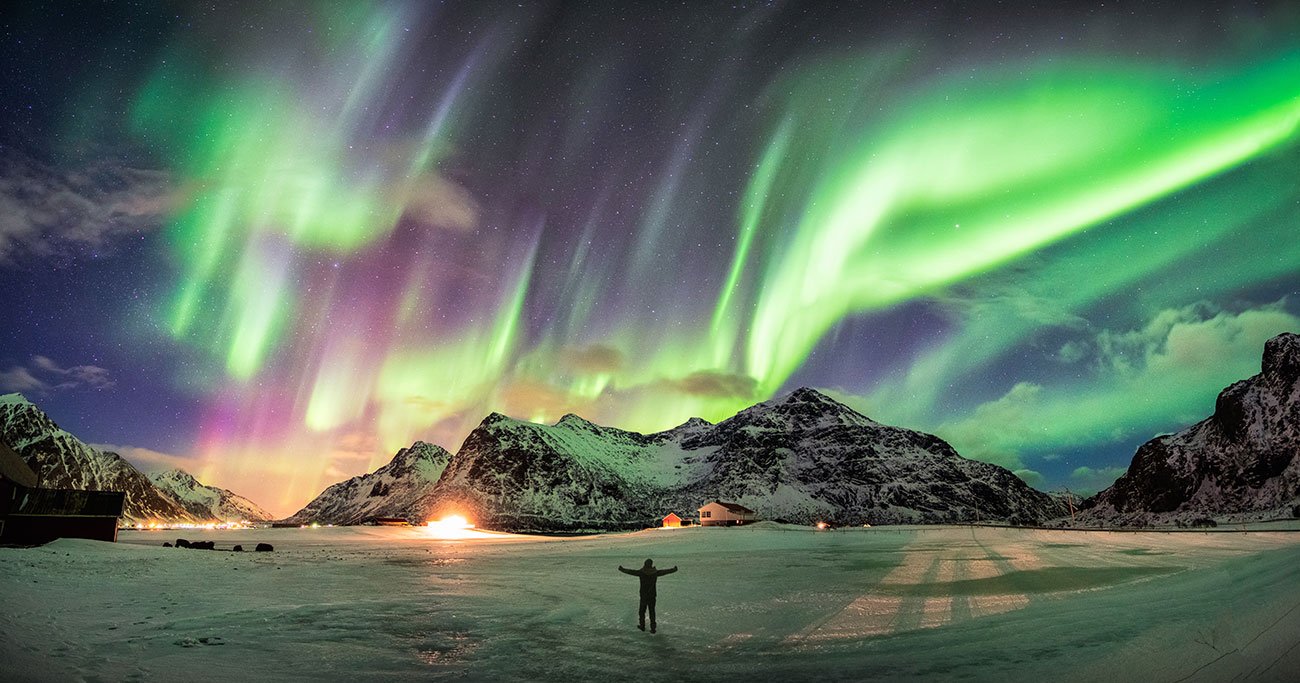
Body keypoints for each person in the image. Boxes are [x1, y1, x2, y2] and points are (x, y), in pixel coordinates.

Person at [618, 558, 678, 633]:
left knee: (642, 611)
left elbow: (631, 572)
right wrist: (673, 569)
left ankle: (642, 626)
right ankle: (653, 628)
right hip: (652, 595)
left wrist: (622, 569)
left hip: (644, 595)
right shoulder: (655, 573)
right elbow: (665, 571)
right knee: (652, 612)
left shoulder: (641, 572)